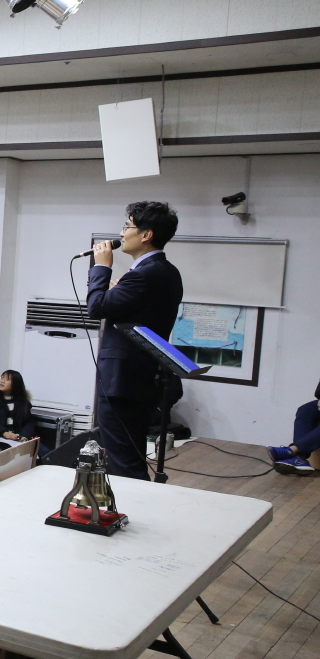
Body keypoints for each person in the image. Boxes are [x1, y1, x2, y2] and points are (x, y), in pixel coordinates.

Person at [87, 201, 184, 479]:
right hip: (140, 378)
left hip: (122, 381)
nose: (121, 233)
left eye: (127, 226)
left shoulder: (145, 274)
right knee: (129, 455)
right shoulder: (165, 271)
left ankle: (131, 505)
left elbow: (96, 308)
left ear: (146, 235)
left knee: (123, 462)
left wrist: (102, 267)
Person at [0, 369, 35, 452]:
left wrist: (24, 436)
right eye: (2, 378)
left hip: (17, 438)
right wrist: (5, 433)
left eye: (7, 379)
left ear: (15, 384)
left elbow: (28, 422)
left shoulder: (22, 400)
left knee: (42, 451)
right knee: (0, 452)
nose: (2, 381)